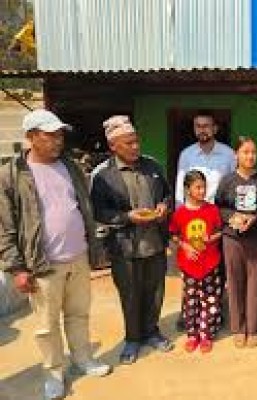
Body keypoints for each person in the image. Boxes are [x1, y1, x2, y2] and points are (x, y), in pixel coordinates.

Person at [0, 109, 111, 400]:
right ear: (31, 137)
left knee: (79, 314)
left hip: (78, 256)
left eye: (60, 135)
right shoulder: (12, 175)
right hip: (42, 264)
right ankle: (54, 373)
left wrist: (93, 248)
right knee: (46, 325)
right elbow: (5, 227)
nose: (58, 140)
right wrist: (17, 268)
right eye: (50, 135)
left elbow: (83, 208)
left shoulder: (70, 167)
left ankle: (82, 359)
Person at [90, 115, 174, 365]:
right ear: (113, 146)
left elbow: (167, 195)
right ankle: (133, 338)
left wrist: (164, 206)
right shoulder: (102, 175)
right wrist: (127, 217)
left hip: (154, 242)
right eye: (128, 143)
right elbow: (98, 212)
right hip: (124, 246)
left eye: (136, 141)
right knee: (130, 293)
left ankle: (152, 331)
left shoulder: (153, 166)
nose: (135, 146)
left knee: (155, 291)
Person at [215, 137, 257, 348]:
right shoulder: (227, 180)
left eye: (254, 152)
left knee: (255, 281)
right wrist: (233, 217)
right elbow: (218, 207)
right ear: (236, 155)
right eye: (246, 152)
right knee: (234, 281)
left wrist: (254, 218)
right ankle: (238, 327)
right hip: (232, 238)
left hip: (256, 238)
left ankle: (253, 327)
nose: (250, 156)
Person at [169, 170, 223, 353]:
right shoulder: (180, 213)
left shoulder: (212, 210)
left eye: (204, 187)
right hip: (189, 265)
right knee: (191, 300)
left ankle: (206, 334)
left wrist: (210, 238)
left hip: (210, 263)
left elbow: (220, 231)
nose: (202, 191)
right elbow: (174, 235)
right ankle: (192, 334)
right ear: (187, 189)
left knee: (210, 299)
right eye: (198, 187)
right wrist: (184, 246)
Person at [175, 110, 236, 205]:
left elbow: (235, 184)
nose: (202, 130)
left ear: (215, 129)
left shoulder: (229, 154)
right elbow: (180, 188)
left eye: (206, 126)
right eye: (198, 126)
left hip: (220, 210)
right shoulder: (186, 154)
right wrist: (180, 210)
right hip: (194, 210)